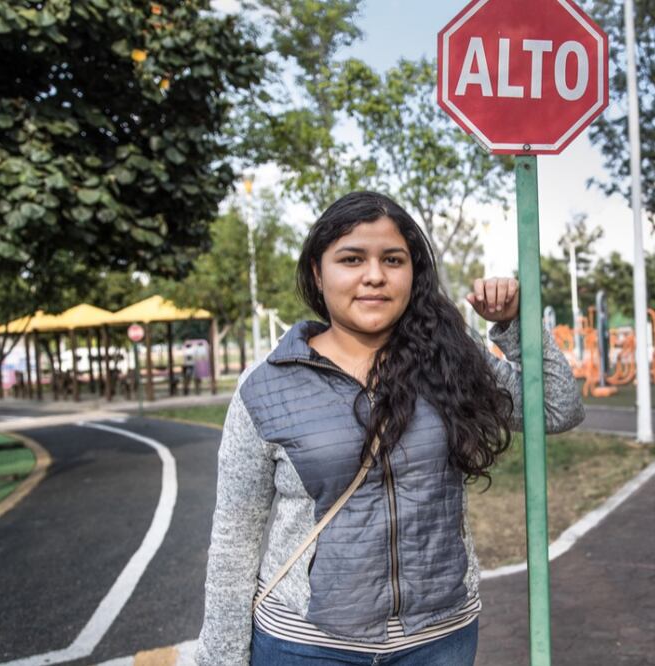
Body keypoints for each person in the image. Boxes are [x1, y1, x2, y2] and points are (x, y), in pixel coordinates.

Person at [195, 191, 585, 665]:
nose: (375, 275)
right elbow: (234, 539)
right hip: (305, 645)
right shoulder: (267, 385)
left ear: (413, 273)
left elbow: (558, 409)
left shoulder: (450, 360)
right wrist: (221, 659)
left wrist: (516, 325)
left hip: (439, 641)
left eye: (393, 260)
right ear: (318, 273)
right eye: (352, 259)